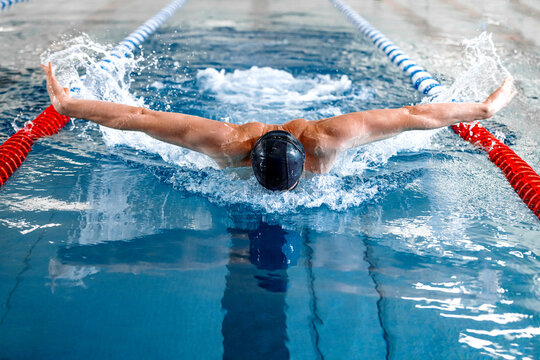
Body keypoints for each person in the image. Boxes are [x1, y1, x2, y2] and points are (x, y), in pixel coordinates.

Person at [42, 62, 516, 191]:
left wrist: (483, 110)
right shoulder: (226, 143)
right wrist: (68, 104)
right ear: (248, 160)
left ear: (307, 160)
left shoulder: (331, 139)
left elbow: (413, 117)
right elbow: (142, 120)